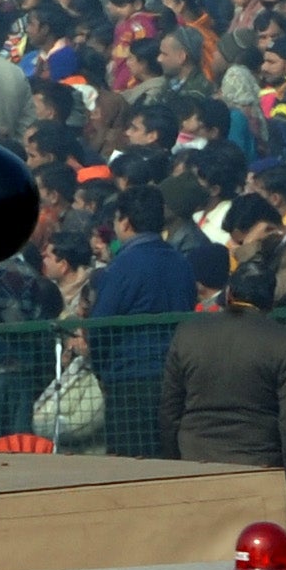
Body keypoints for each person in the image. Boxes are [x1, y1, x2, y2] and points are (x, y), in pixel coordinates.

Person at [160, 261, 286, 506]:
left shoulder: (188, 333)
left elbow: (169, 409)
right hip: (259, 463)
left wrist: (172, 465)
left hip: (195, 459)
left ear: (228, 293)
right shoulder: (284, 340)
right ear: (271, 301)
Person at [87, 180, 196, 454]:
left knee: (131, 465)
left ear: (124, 222)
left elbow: (100, 326)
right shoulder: (181, 262)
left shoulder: (122, 266)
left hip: (130, 380)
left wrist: (100, 369)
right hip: (177, 377)